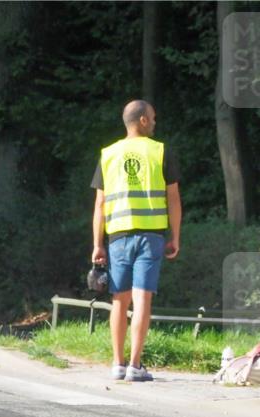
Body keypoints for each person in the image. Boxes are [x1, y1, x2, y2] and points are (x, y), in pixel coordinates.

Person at [91, 100, 181, 382]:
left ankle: (117, 364)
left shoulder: (108, 154)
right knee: (142, 298)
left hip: (118, 236)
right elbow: (173, 199)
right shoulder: (160, 151)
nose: (154, 122)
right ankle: (135, 365)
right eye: (152, 117)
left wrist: (97, 244)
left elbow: (100, 204)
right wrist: (175, 236)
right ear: (142, 120)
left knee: (119, 299)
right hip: (151, 234)